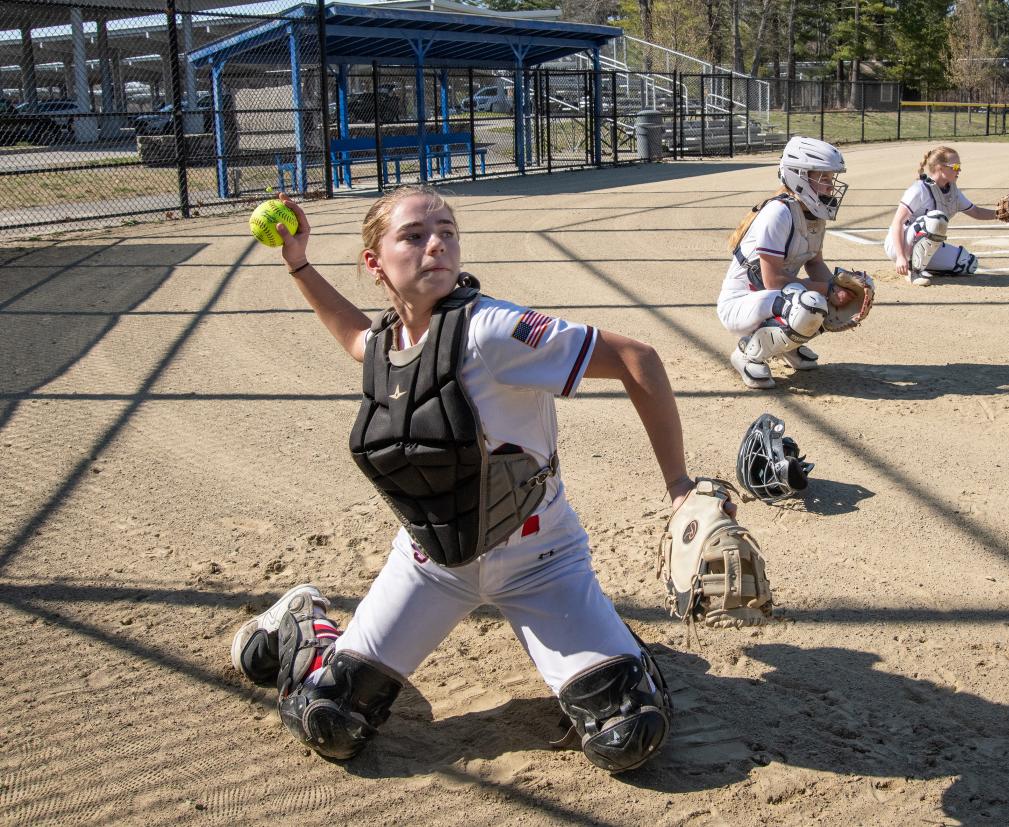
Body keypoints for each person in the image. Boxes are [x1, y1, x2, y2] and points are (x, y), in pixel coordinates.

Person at [230, 185, 712, 773]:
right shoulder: (389, 342)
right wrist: (299, 264)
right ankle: (304, 621)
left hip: (542, 563)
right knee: (331, 722)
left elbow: (639, 360)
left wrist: (679, 487)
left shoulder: (494, 330)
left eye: (447, 232)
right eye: (413, 235)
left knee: (628, 735)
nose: (436, 245)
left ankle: (612, 655)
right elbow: (358, 338)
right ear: (374, 262)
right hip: (431, 568)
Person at [718, 136, 859, 390]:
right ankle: (748, 352)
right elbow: (773, 280)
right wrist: (826, 291)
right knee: (811, 302)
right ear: (800, 176)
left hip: (771, 299)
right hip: (741, 304)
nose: (830, 186)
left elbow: (815, 263)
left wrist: (839, 290)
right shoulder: (779, 213)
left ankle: (786, 345)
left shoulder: (813, 212)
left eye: (831, 179)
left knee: (822, 298)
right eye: (824, 179)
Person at [885, 145, 1009, 286]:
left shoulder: (953, 192)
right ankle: (912, 271)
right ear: (940, 167)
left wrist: (999, 214)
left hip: (924, 246)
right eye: (955, 167)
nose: (959, 170)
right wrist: (901, 257)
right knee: (936, 219)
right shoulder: (919, 189)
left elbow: (975, 212)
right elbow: (897, 223)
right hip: (900, 244)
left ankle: (922, 265)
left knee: (968, 264)